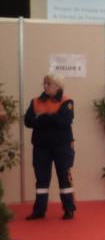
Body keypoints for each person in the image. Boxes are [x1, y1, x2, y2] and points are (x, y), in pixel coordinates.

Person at [23, 73, 76, 220]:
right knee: (41, 180)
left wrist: (40, 118)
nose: (45, 86)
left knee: (64, 180)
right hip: (41, 147)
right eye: (44, 83)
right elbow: (28, 121)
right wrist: (51, 118)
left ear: (58, 87)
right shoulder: (35, 101)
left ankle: (69, 209)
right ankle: (39, 211)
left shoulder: (67, 101)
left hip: (62, 147)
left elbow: (63, 121)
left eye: (49, 84)